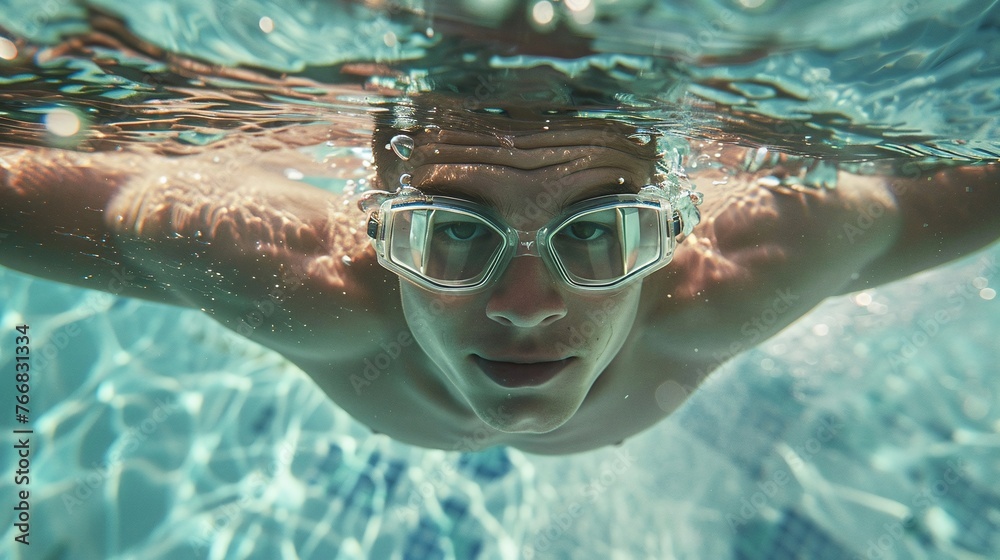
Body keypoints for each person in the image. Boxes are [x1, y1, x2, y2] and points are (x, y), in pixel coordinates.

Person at [2, 104, 998, 454]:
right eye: (452, 234)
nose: (527, 306)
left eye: (601, 231)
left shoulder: (748, 276)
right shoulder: (293, 281)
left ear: (670, 230)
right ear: (380, 227)